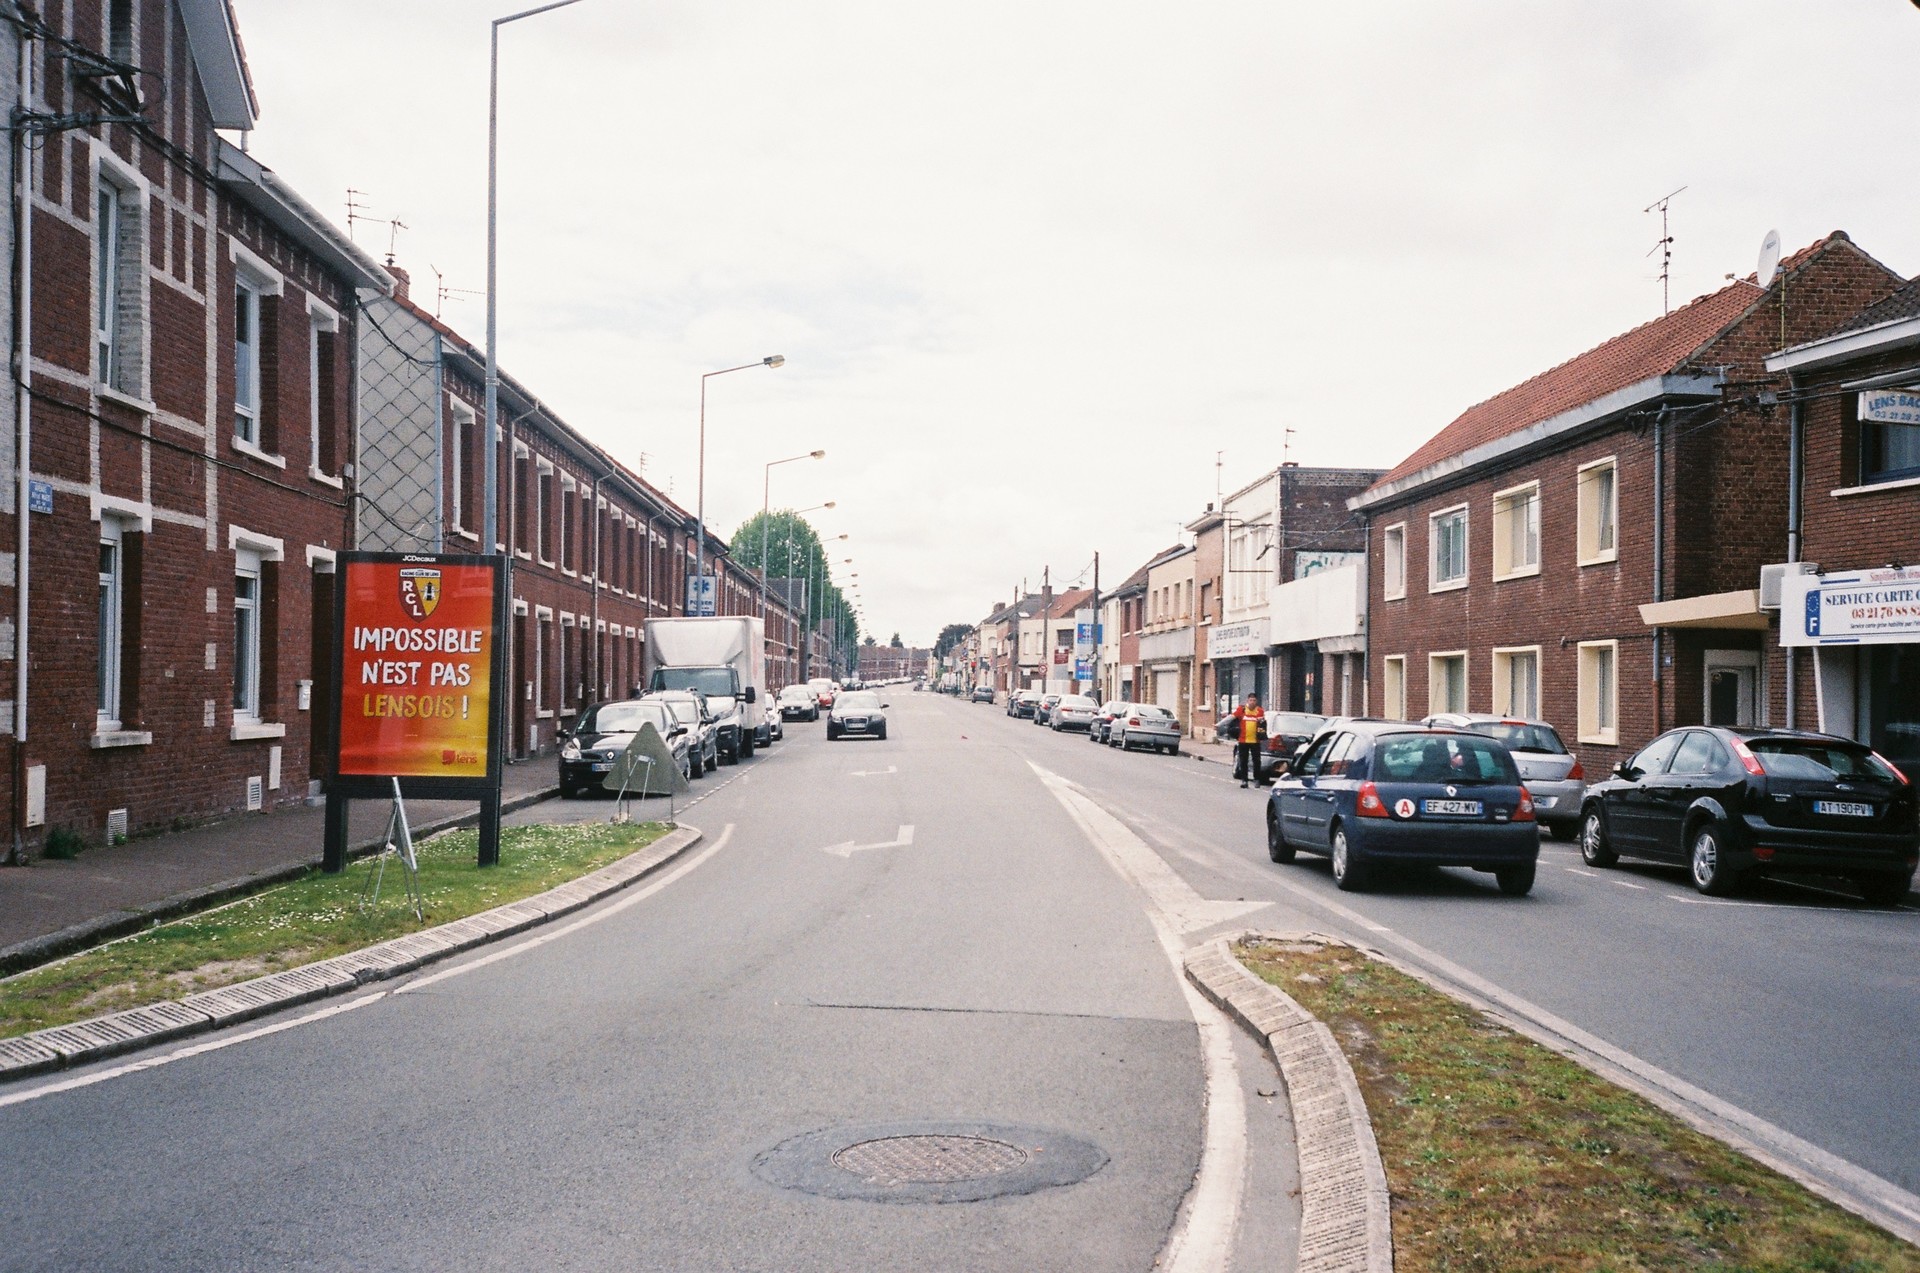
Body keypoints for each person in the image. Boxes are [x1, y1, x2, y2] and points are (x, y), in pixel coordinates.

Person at [1230, 693, 1266, 788]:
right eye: (1251, 700)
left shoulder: (1260, 711)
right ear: (1247, 701)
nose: (1252, 702)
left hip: (1255, 741)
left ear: (1256, 701)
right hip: (1243, 740)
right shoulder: (1241, 710)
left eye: (1254, 700)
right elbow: (1231, 718)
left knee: (1256, 761)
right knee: (1243, 761)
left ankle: (1257, 779)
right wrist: (1218, 725)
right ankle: (1244, 780)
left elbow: (1262, 724)